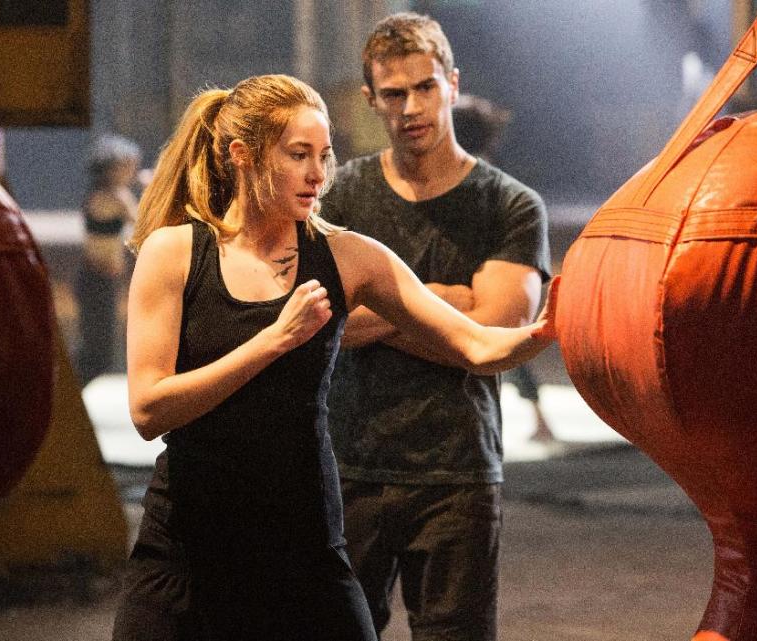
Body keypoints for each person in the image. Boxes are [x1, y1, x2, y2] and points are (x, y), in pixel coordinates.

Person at [111, 73, 555, 641]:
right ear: (243, 156)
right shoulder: (174, 252)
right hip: (188, 546)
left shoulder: (349, 256)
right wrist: (275, 339)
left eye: (324, 155)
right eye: (299, 155)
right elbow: (149, 410)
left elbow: (474, 342)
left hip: (304, 543)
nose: (319, 173)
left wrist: (542, 333)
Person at [322, 13, 552, 641]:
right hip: (348, 466)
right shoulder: (340, 197)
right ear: (372, 101)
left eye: (425, 87)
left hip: (458, 473)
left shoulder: (508, 204)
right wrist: (446, 302)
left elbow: (494, 339)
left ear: (452, 84)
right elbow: (322, 325)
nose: (411, 107)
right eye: (393, 94)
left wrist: (378, 300)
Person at [452, 93, 557, 443]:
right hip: (496, 268)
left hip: (484, 270)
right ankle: (535, 419)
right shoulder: (486, 167)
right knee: (500, 348)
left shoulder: (470, 173)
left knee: (494, 347)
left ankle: (529, 421)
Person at [74, 134, 141, 386]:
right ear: (113, 167)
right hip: (96, 281)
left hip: (100, 280)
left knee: (97, 352)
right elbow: (143, 223)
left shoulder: (108, 193)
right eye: (127, 165)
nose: (132, 170)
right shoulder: (114, 197)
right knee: (96, 354)